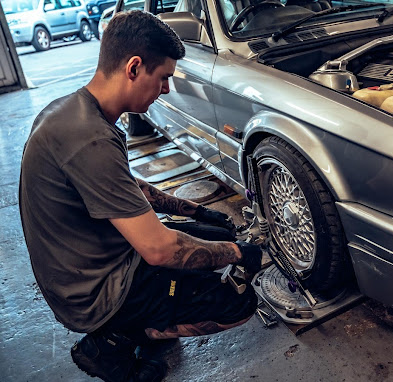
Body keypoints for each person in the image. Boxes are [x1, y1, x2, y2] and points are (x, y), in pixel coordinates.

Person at [19, 10, 262, 382]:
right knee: (240, 304)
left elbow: (131, 189)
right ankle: (111, 343)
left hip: (89, 260)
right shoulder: (90, 139)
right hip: (94, 293)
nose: (166, 89)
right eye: (163, 77)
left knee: (215, 238)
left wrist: (198, 212)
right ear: (134, 68)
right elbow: (160, 250)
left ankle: (134, 324)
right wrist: (237, 253)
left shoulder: (75, 112)